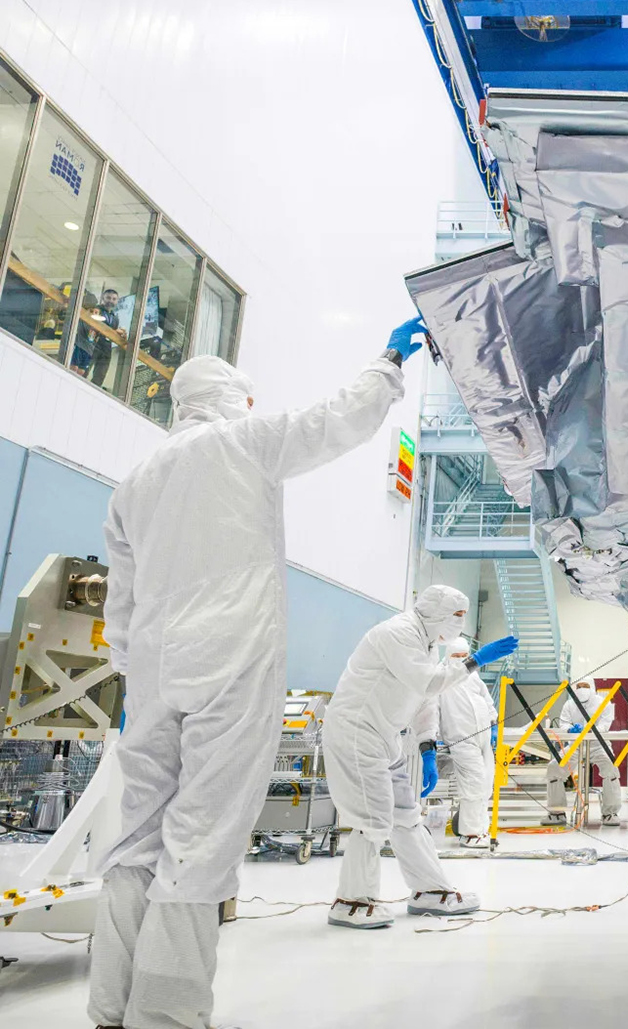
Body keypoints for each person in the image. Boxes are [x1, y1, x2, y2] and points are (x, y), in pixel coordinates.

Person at [91, 316, 426, 1029]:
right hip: (229, 665)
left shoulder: (136, 481)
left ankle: (109, 1005)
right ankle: (167, 1014)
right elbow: (334, 421)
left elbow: (120, 598)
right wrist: (389, 362)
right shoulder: (241, 441)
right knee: (203, 836)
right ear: (229, 399)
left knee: (135, 836)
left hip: (151, 676)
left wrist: (128, 674)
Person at [322, 587, 516, 929]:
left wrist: (427, 748)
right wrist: (476, 661)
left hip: (385, 737)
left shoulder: (426, 645)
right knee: (373, 819)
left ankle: (430, 890)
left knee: (408, 816)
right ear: (435, 613)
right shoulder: (398, 633)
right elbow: (428, 684)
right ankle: (350, 900)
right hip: (357, 733)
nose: (459, 625)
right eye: (455, 617)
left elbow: (424, 702)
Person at [545, 680, 622, 826]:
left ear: (592, 687)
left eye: (585, 686)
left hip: (598, 745)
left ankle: (610, 814)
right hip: (576, 745)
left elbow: (605, 725)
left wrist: (590, 730)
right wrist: (570, 730)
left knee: (611, 768)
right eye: (579, 687)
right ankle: (557, 813)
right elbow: (564, 723)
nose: (581, 689)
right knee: (554, 767)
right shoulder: (569, 704)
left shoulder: (603, 702)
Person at [438, 666, 500, 845]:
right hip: (460, 737)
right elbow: (433, 709)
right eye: (456, 655)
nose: (460, 660)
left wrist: (493, 722)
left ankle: (481, 830)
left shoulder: (474, 677)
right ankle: (470, 834)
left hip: (484, 737)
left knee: (486, 783)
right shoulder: (443, 677)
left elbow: (488, 702)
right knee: (474, 783)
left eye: (464, 655)